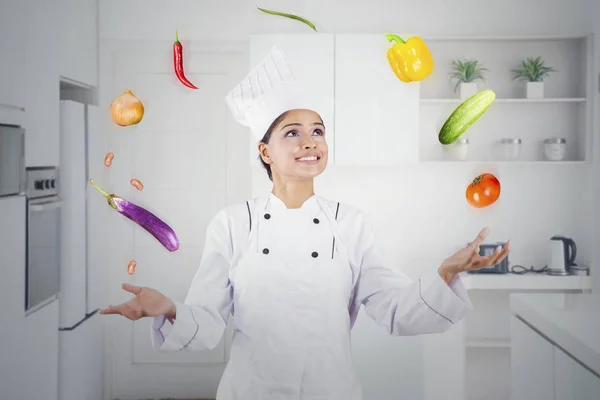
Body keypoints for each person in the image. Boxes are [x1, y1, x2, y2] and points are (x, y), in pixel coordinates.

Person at [99, 45, 510, 400]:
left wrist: (445, 272)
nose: (311, 141)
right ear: (265, 151)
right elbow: (206, 324)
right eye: (293, 133)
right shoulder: (232, 224)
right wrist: (170, 308)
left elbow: (394, 309)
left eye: (318, 131)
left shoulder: (351, 225)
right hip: (252, 391)